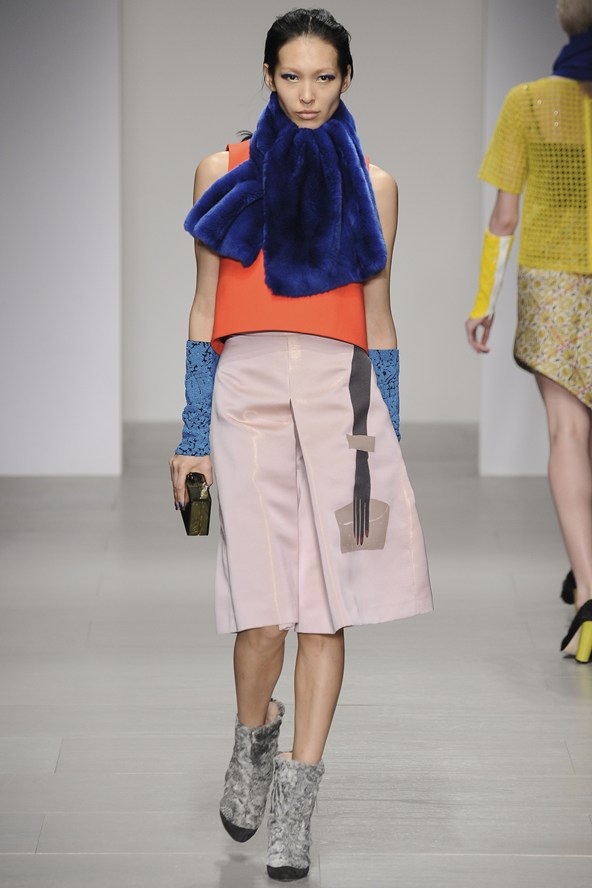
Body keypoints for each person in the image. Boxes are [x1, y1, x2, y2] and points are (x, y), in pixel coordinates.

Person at [170, 8, 432, 880]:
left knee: (327, 605)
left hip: (344, 396)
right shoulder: (222, 170)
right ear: (267, 75)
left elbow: (380, 318)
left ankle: (296, 800)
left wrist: (389, 438)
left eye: (324, 77)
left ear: (347, 78)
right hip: (245, 392)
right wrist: (191, 435)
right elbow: (204, 309)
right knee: (261, 612)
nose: (308, 94)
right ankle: (253, 737)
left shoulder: (377, 184)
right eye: (291, 76)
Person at [465, 0, 592, 664]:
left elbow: (504, 218)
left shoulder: (529, 102)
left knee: (568, 433)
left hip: (553, 280)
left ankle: (589, 595)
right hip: (558, 277)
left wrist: (483, 302)